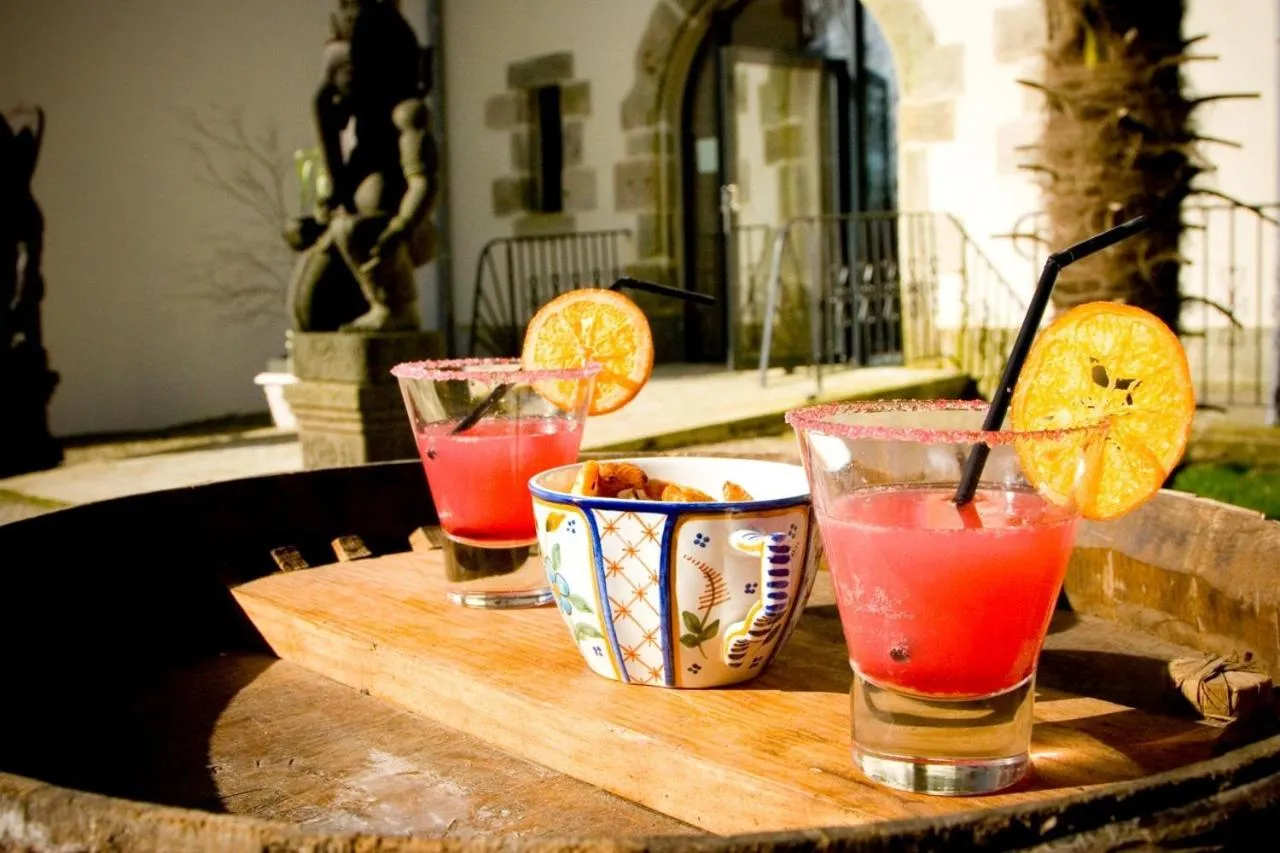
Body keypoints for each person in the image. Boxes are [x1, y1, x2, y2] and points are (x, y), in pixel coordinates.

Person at [285, 0, 439, 333]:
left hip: (400, 237)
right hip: (355, 244)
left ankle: (397, 308)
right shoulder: (360, 134)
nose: (335, 96)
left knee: (352, 230)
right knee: (311, 315)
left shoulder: (405, 116)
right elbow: (340, 200)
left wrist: (400, 229)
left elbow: (424, 184)